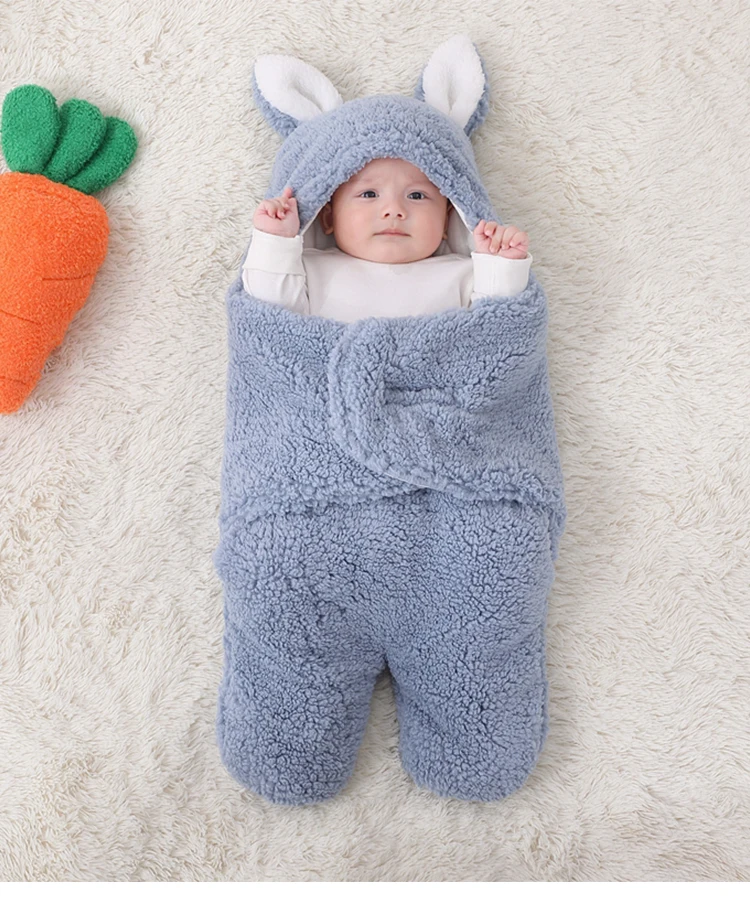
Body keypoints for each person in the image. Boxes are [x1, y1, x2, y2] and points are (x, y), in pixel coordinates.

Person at [241, 156, 533, 321]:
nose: (394, 210)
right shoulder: (307, 268)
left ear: (447, 221)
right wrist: (276, 240)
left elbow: (497, 324)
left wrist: (500, 265)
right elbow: (271, 313)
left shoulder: (464, 273)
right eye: (369, 194)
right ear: (328, 218)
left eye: (416, 195)